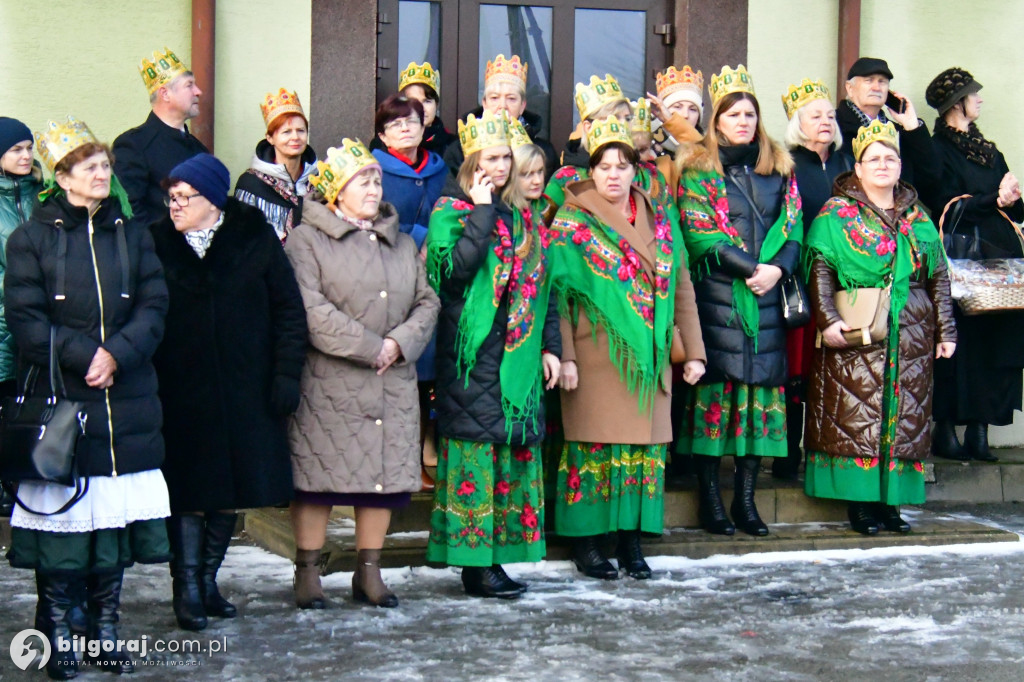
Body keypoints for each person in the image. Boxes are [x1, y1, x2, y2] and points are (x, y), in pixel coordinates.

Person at [5, 116, 170, 678]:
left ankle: (103, 631)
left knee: (111, 530)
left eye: (106, 166)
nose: (104, 174)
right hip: (63, 401)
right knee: (64, 532)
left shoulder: (133, 232)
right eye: (91, 166)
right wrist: (87, 356)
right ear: (64, 176)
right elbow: (26, 322)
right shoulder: (29, 238)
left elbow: (154, 305)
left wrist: (118, 354)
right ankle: (55, 631)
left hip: (125, 400)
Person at [150, 153, 308, 631]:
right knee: (187, 491)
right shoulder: (155, 243)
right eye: (170, 197)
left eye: (184, 197)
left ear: (213, 199)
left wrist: (285, 376)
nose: (174, 207)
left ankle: (209, 580)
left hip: (245, 385)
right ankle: (187, 586)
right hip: (177, 390)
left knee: (230, 490)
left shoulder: (253, 237)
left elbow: (288, 311)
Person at [547, 116, 705, 579]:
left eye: (622, 165)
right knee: (594, 449)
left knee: (642, 452)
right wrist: (568, 358)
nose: (613, 175)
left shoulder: (660, 216)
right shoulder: (571, 220)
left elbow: (681, 286)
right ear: (590, 172)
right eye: (603, 167)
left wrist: (693, 351)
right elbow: (557, 295)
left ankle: (632, 543)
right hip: (595, 354)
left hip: (651, 354)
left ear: (637, 171)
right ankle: (587, 542)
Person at [286, 139, 439, 609]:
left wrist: (399, 344)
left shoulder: (401, 241)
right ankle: (308, 572)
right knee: (318, 478)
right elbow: (309, 308)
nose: (373, 188)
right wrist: (371, 346)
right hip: (329, 383)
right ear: (335, 191)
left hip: (390, 381)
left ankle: (368, 572)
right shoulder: (306, 240)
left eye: (376, 179)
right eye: (362, 181)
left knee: (381, 482)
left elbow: (427, 300)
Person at [426, 110, 561, 599]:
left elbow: (543, 287)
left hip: (519, 356)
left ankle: (498, 558)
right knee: (476, 456)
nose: (501, 166)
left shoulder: (525, 215)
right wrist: (482, 211)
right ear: (471, 161)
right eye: (491, 157)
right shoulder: (450, 210)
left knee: (508, 457)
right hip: (474, 355)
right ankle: (473, 564)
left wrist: (551, 348)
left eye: (506, 156)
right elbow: (454, 273)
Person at [804, 120, 956, 534]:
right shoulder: (836, 215)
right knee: (857, 413)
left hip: (911, 331)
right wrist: (828, 320)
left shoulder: (918, 218)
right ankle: (861, 503)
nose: (883, 165)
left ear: (900, 165)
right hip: (857, 330)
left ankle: (891, 502)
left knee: (903, 415)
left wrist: (947, 331)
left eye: (890, 158)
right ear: (858, 167)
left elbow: (939, 277)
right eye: (875, 159)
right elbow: (820, 271)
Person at [676, 66, 803, 537]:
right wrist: (751, 269)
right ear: (718, 121)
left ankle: (746, 503)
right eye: (734, 114)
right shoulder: (697, 168)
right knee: (716, 403)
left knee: (756, 408)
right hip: (719, 300)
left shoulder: (779, 168)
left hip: (767, 300)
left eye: (750, 113)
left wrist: (777, 268)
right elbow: (699, 232)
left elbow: (793, 229)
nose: (743, 121)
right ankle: (711, 501)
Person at [924, 67, 1024, 462]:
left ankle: (981, 432)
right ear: (956, 104)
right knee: (958, 346)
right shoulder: (937, 150)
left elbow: (1011, 206)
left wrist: (1013, 197)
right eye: (973, 94)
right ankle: (945, 431)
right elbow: (942, 202)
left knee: (997, 345)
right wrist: (991, 200)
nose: (979, 100)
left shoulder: (989, 150)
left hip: (1002, 267)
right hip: (963, 264)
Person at [775, 79, 853, 480]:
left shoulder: (847, 164)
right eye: (814, 115)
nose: (825, 121)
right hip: (800, 280)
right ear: (797, 123)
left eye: (829, 115)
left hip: (845, 282)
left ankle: (826, 451)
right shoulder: (785, 164)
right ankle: (788, 455)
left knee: (834, 368)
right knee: (797, 368)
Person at [372, 93, 449, 490]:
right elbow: (371, 217)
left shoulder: (441, 169)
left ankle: (418, 462)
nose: (405, 129)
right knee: (391, 373)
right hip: (387, 280)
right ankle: (385, 465)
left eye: (412, 121)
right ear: (383, 136)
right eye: (395, 124)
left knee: (424, 378)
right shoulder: (374, 169)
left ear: (425, 127)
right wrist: (420, 235)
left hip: (432, 284)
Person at [545, 75, 674, 218]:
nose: (623, 125)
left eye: (627, 118)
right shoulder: (565, 179)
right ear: (588, 127)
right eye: (612, 118)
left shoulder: (650, 175)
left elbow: (672, 229)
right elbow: (540, 230)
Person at [113, 47, 208, 229]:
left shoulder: (199, 150)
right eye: (189, 85)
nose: (198, 91)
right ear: (165, 94)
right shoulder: (133, 145)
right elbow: (129, 213)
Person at [836, 57, 942, 208]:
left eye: (882, 82)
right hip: (849, 220)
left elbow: (932, 182)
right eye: (869, 80)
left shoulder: (899, 132)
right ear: (850, 88)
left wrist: (913, 127)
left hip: (896, 219)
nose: (876, 87)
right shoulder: (833, 125)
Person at [442, 54, 557, 181]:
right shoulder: (459, 150)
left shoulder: (544, 152)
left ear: (522, 105)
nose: (502, 106)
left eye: (511, 99)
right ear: (484, 104)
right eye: (494, 98)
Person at [234, 88, 317, 243]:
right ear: (270, 138)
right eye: (286, 132)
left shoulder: (319, 182)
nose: (295, 137)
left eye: (301, 131)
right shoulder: (251, 185)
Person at [371, 62, 457, 157]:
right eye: (414, 102)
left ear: (436, 104)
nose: (421, 108)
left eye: (427, 101)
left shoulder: (453, 145)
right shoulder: (380, 145)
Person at [647, 65, 706, 190]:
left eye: (693, 109)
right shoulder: (647, 148)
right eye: (677, 107)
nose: (685, 115)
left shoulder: (708, 149)